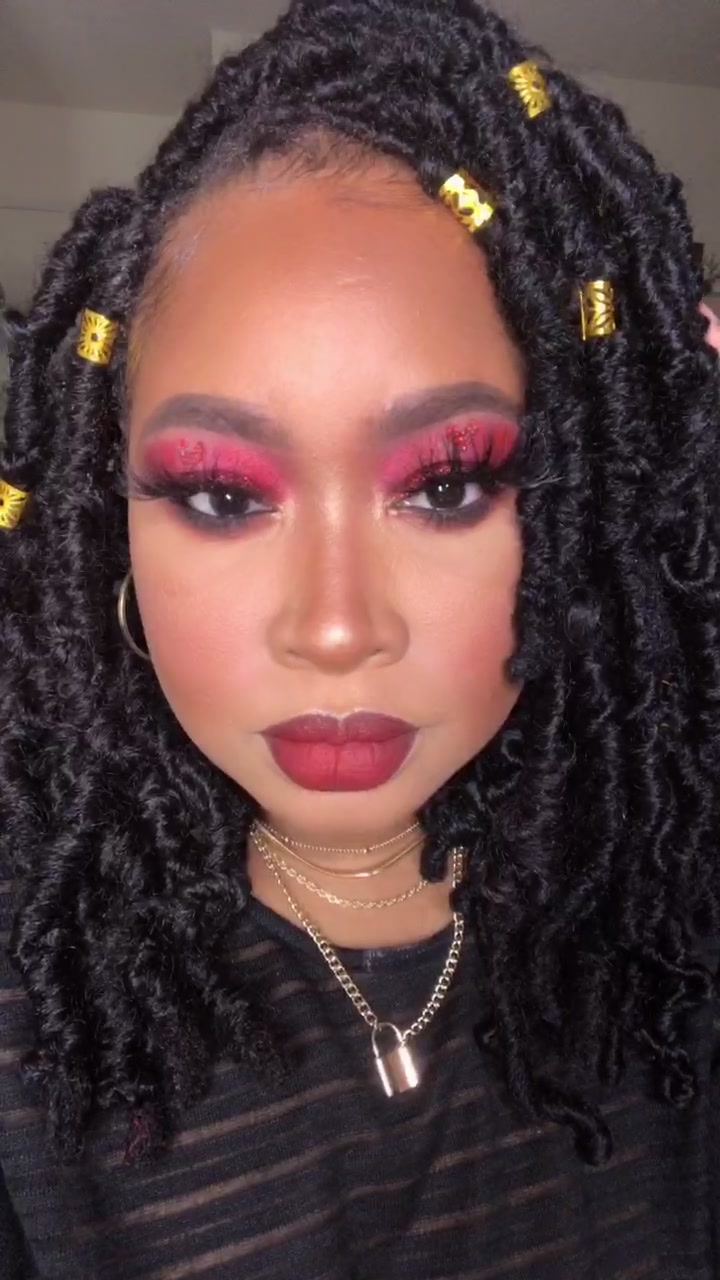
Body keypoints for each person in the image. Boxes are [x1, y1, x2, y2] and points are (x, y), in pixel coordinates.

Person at [0, 0, 719, 1275]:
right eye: (221, 496)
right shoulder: (32, 1002)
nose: (337, 628)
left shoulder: (675, 917)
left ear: (591, 509)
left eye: (447, 485)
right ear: (111, 532)